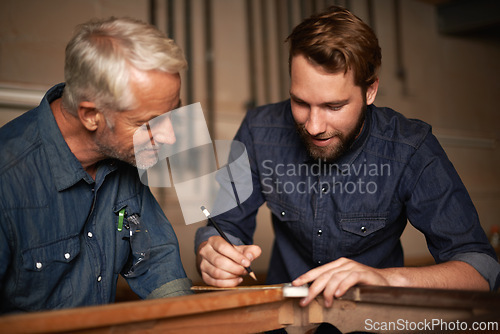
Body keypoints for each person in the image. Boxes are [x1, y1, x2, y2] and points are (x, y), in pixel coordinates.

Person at [195, 5, 500, 309]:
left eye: (334, 106)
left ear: (370, 91)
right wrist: (213, 252)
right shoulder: (258, 129)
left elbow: (481, 268)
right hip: (283, 322)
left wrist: (388, 280)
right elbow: (224, 226)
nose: (313, 126)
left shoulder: (411, 147)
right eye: (300, 102)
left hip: (373, 324)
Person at [0, 17, 192, 314]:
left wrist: (188, 322)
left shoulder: (124, 157)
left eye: (172, 114)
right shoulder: (8, 180)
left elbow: (156, 262)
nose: (170, 136)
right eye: (148, 123)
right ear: (90, 115)